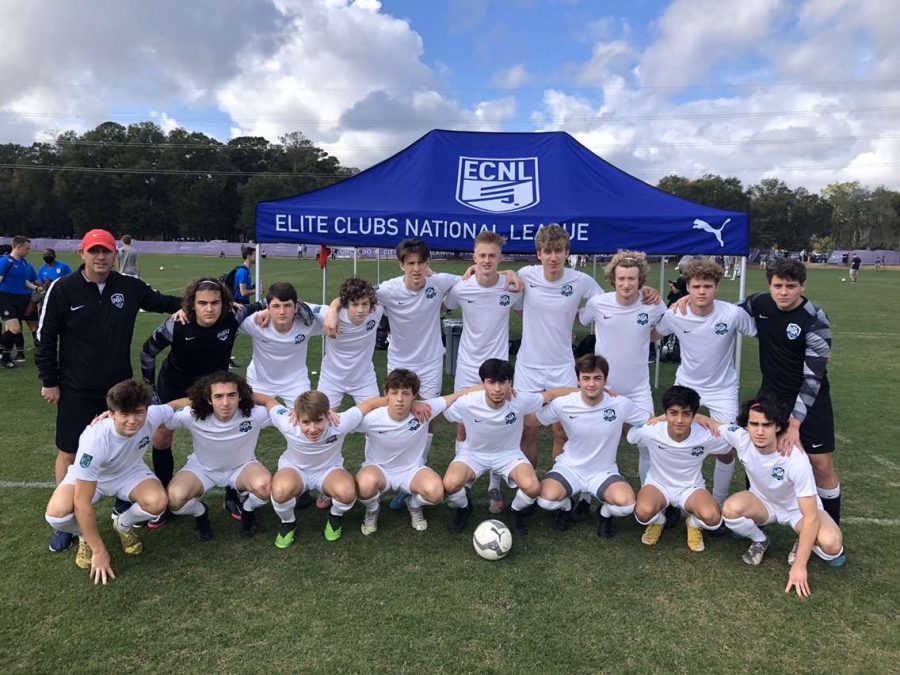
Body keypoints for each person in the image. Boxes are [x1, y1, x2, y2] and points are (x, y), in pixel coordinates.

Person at [35, 228, 182, 553]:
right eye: (94, 251)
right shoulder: (63, 289)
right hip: (75, 388)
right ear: (82, 253)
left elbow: (161, 302)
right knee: (69, 452)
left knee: (125, 444)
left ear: (115, 254)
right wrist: (50, 380)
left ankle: (121, 506)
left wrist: (193, 303)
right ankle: (69, 522)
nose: (100, 257)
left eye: (106, 251)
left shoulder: (128, 287)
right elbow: (45, 337)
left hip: (119, 389)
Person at [515, 227, 658, 467]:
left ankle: (558, 484)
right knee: (527, 431)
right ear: (538, 253)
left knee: (562, 432)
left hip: (562, 367)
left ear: (567, 253)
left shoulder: (580, 280)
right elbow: (505, 285)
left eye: (558, 251)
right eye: (547, 251)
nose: (553, 257)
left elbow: (611, 302)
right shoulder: (525, 275)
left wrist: (643, 291)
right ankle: (527, 491)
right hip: (528, 367)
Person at [139, 277, 264, 523]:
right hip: (175, 385)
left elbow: (267, 303)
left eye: (215, 303)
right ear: (191, 304)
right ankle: (164, 499)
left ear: (224, 302)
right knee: (162, 437)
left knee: (227, 430)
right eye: (202, 303)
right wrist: (150, 387)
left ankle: (232, 492)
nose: (209, 308)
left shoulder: (233, 316)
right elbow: (147, 352)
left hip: (213, 387)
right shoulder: (176, 324)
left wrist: (267, 312)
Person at [43, 380, 182, 584]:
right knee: (56, 514)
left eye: (138, 412)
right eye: (125, 414)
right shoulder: (95, 440)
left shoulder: (153, 414)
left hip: (130, 472)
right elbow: (82, 502)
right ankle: (84, 537)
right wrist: (100, 551)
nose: (133, 420)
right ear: (111, 413)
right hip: (94, 478)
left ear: (146, 409)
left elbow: (176, 405)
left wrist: (218, 399)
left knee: (158, 502)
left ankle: (123, 524)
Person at [739, 258, 841, 524]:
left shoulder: (815, 319)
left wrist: (795, 423)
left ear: (802, 287)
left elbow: (812, 378)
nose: (783, 292)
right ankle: (752, 522)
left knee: (820, 464)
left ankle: (829, 527)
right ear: (770, 285)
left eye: (791, 286)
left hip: (810, 400)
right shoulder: (759, 303)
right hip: (770, 396)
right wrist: (686, 301)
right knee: (757, 455)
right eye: (778, 285)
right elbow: (727, 313)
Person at [710, 397, 845, 597]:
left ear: (778, 427)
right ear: (745, 425)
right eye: (754, 424)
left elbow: (810, 515)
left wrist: (800, 566)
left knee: (832, 546)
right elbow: (710, 423)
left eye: (767, 425)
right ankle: (760, 540)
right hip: (763, 503)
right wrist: (662, 418)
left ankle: (802, 540)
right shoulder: (740, 437)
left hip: (797, 510)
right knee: (729, 510)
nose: (759, 431)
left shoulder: (795, 460)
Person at [654, 259, 756, 506]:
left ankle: (717, 502)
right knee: (676, 439)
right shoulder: (676, 313)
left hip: (723, 389)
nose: (702, 291)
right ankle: (671, 497)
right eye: (696, 286)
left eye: (707, 286)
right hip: (687, 385)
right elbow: (652, 334)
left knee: (726, 448)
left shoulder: (732, 314)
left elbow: (760, 330)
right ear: (687, 286)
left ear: (716, 287)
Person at [442, 358, 572, 535]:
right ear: (483, 383)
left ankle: (514, 511)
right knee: (450, 484)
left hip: (509, 455)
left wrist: (588, 390)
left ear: (510, 383)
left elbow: (552, 394)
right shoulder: (468, 402)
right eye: (491, 382)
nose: (497, 389)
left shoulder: (520, 399)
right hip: (473, 454)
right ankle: (465, 508)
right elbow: (442, 408)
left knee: (533, 488)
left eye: (502, 382)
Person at [444, 231, 523, 514]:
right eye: (482, 256)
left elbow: (527, 310)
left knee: (500, 423)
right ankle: (464, 480)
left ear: (500, 258)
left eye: (492, 256)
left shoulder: (513, 287)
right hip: (467, 367)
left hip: (499, 369)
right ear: (473, 257)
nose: (487, 260)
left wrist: (511, 273)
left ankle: (494, 484)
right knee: (464, 423)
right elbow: (443, 305)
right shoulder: (460, 287)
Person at [533, 354, 649, 538]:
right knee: (545, 500)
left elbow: (652, 422)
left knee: (626, 505)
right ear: (578, 381)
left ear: (605, 380)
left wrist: (696, 417)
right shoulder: (563, 403)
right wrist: (551, 394)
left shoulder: (620, 404)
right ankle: (567, 506)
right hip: (570, 468)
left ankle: (605, 514)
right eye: (586, 378)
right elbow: (532, 421)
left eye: (597, 378)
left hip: (603, 471)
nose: (591, 384)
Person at [578, 250, 665, 491]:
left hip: (638, 389)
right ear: (613, 279)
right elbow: (580, 320)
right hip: (603, 388)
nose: (626, 284)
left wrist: (646, 337)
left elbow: (665, 327)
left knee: (647, 443)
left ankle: (649, 493)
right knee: (595, 443)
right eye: (622, 279)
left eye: (632, 279)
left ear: (641, 281)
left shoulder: (654, 304)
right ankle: (585, 497)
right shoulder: (598, 303)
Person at [354, 369, 477, 535]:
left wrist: (490, 388)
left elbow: (457, 396)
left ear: (414, 395)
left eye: (406, 393)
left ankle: (414, 504)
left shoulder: (425, 410)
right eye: (394, 393)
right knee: (363, 486)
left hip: (411, 471)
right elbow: (339, 424)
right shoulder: (370, 418)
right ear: (386, 394)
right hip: (379, 469)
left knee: (436, 493)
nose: (399, 399)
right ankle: (372, 510)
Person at [260, 390, 386, 547]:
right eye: (306, 422)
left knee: (347, 492)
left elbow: (370, 404)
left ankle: (335, 517)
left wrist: (412, 404)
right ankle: (288, 523)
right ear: (297, 418)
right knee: (279, 491)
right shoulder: (287, 421)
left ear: (328, 415)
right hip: (295, 469)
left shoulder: (340, 421)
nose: (313, 429)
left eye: (318, 421)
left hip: (328, 470)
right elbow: (266, 400)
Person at [163, 371, 272, 540]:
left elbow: (294, 417)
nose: (225, 402)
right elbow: (154, 419)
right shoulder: (191, 415)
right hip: (202, 469)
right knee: (174, 501)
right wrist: (110, 419)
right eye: (218, 396)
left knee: (264, 488)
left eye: (231, 395)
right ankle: (200, 512)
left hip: (242, 468)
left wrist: (327, 414)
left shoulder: (256, 414)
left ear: (240, 396)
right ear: (209, 399)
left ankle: (248, 512)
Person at [627, 386, 731, 552]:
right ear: (666, 414)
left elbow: (732, 442)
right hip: (658, 484)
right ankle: (658, 521)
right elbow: (631, 435)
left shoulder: (705, 435)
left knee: (713, 519)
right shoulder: (651, 431)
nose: (679, 420)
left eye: (686, 414)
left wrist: (712, 422)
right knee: (642, 513)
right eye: (673, 413)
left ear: (694, 416)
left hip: (691, 487)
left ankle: (693, 524)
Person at [238, 281, 324, 410]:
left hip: (296, 383)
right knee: (248, 422)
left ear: (296, 307)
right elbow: (228, 323)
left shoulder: (308, 323)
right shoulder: (255, 322)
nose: (282, 311)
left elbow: (331, 314)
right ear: (268, 307)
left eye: (287, 306)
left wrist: (333, 313)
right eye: (276, 306)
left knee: (303, 424)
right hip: (259, 382)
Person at [316, 276, 384, 411]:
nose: (360, 310)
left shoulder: (376, 311)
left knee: (376, 423)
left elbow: (401, 286)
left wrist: (428, 274)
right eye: (355, 304)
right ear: (346, 304)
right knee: (322, 422)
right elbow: (297, 306)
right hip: (331, 379)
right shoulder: (329, 315)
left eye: (365, 304)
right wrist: (332, 311)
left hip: (363, 379)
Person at [0, 235, 41, 366]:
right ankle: (4, 356)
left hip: (19, 299)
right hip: (6, 298)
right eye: (27, 248)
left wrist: (36, 288)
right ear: (18, 247)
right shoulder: (5, 261)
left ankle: (5, 358)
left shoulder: (23, 263)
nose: (29, 251)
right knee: (14, 328)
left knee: (15, 330)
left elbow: (22, 281)